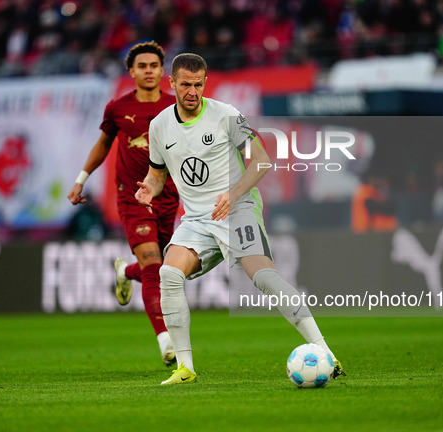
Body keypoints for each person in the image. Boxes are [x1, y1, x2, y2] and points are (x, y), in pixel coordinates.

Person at [136, 53, 345, 385]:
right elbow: (157, 174)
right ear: (171, 83)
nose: (193, 91)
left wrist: (232, 195)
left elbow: (261, 161)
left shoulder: (227, 116)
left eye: (199, 84)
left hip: (238, 210)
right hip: (196, 220)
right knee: (169, 273)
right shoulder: (159, 125)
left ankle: (325, 351)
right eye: (186, 85)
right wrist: (149, 188)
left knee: (265, 279)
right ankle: (185, 368)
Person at [67, 42, 179, 367]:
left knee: (159, 269)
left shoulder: (176, 108)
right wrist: (80, 179)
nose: (148, 70)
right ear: (131, 71)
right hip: (132, 196)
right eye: (141, 65)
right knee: (155, 267)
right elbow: (103, 144)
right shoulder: (117, 108)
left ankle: (124, 271)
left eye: (153, 65)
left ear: (162, 71)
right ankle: (166, 341)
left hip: (168, 196)